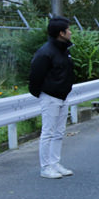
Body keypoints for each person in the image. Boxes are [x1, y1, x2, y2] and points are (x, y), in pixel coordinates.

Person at [29, 16, 75, 179]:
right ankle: (45, 167)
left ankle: (55, 163)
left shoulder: (64, 50)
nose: (70, 32)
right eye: (68, 29)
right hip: (50, 97)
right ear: (61, 33)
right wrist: (43, 94)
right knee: (48, 132)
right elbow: (35, 77)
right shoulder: (45, 52)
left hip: (63, 96)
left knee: (59, 132)